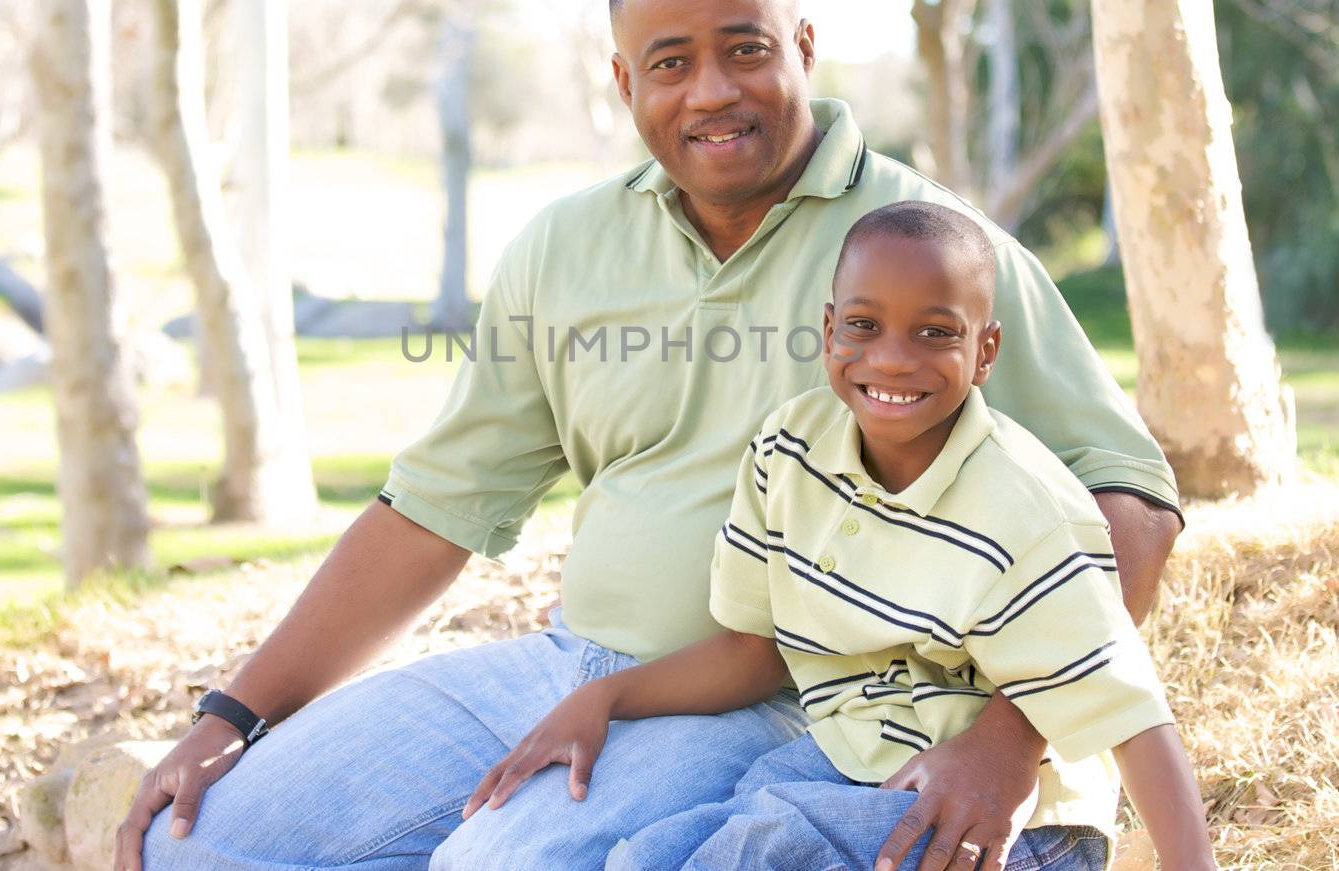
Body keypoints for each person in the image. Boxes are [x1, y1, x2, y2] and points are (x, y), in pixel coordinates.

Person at [124, 0, 1186, 871]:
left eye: (745, 49)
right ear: (624, 84)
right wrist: (232, 714)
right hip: (571, 664)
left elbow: (1128, 504)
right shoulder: (566, 245)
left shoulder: (926, 253)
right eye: (670, 62)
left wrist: (1008, 736)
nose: (712, 90)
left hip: (787, 692)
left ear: (803, 49)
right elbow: (430, 512)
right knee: (199, 845)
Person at [462, 202, 1216, 871]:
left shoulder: (1026, 510)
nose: (892, 356)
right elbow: (750, 651)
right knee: (648, 854)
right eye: (864, 325)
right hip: (845, 758)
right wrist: (604, 695)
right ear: (829, 330)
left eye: (935, 332)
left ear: (985, 351)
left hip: (1010, 825)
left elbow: (1134, 716)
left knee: (745, 853)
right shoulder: (788, 450)